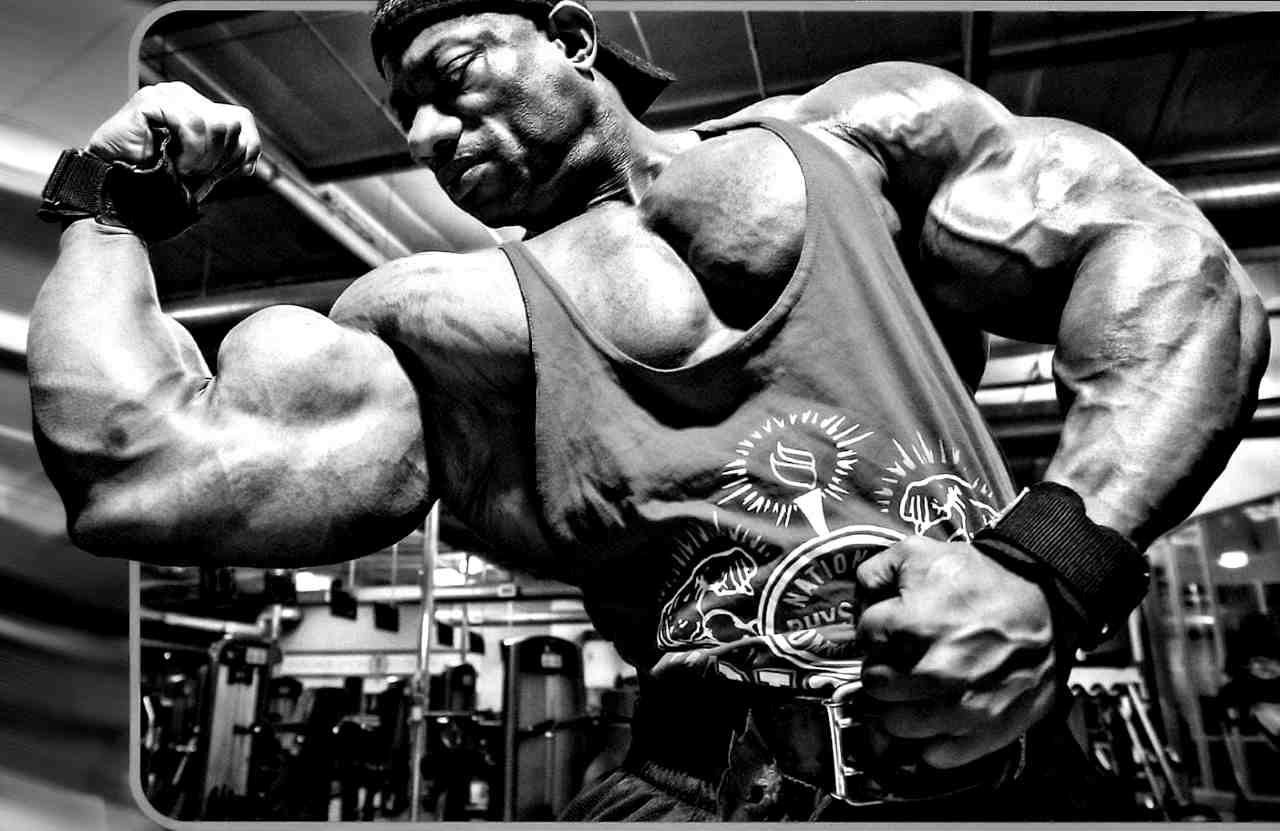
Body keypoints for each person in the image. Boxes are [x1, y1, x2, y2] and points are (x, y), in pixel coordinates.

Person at [27, 0, 1270, 821]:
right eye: (403, 115)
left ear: (570, 39)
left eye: (449, 77)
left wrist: (1045, 569)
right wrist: (105, 203)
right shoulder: (438, 327)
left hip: (1017, 776)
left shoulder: (866, 138)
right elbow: (137, 471)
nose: (425, 132)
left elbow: (1171, 269)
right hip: (700, 796)